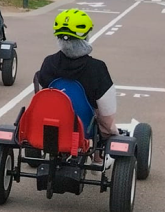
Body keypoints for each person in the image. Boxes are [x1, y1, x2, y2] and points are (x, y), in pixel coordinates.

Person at [34, 9, 119, 138]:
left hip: (51, 126)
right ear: (85, 37)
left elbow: (42, 98)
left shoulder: (48, 63)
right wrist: (110, 132)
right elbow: (107, 112)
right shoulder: (97, 68)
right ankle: (98, 157)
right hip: (84, 131)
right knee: (107, 125)